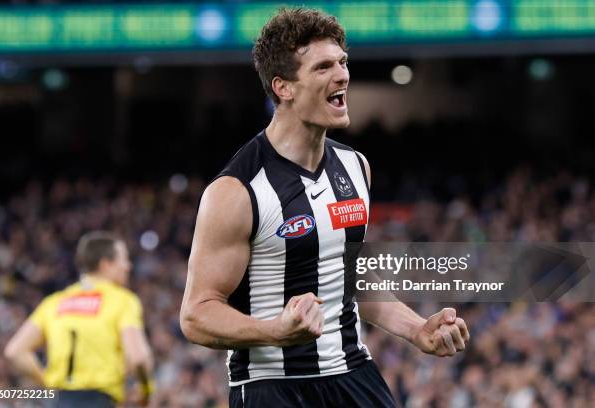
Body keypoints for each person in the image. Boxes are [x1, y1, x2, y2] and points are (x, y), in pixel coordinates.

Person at [180, 7, 470, 407]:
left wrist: (417, 329)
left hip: (353, 376)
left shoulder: (355, 168)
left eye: (342, 62)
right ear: (284, 87)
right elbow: (196, 315)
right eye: (322, 67)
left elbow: (353, 280)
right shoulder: (236, 190)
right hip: (272, 387)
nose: (342, 75)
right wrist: (276, 331)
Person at [4, 231, 154, 408]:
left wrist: (48, 383)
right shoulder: (122, 300)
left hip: (60, 401)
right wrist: (145, 390)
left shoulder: (54, 302)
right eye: (124, 260)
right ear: (105, 264)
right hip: (99, 400)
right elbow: (138, 357)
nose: (128, 266)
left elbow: (14, 351)